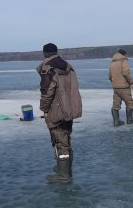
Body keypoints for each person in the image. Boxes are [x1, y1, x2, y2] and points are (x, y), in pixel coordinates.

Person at [36, 43, 82, 183]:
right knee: (66, 138)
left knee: (59, 140)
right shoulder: (68, 66)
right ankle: (65, 169)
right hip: (70, 108)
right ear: (56, 52)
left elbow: (47, 92)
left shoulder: (48, 69)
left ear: (44, 54)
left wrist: (44, 108)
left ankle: (63, 175)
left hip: (56, 110)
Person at [108, 48, 133, 126]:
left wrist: (115, 83)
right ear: (124, 54)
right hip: (124, 87)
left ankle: (116, 122)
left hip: (115, 88)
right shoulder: (123, 61)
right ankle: (130, 119)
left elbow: (109, 76)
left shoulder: (112, 62)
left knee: (116, 104)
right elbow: (126, 73)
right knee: (130, 103)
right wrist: (131, 83)